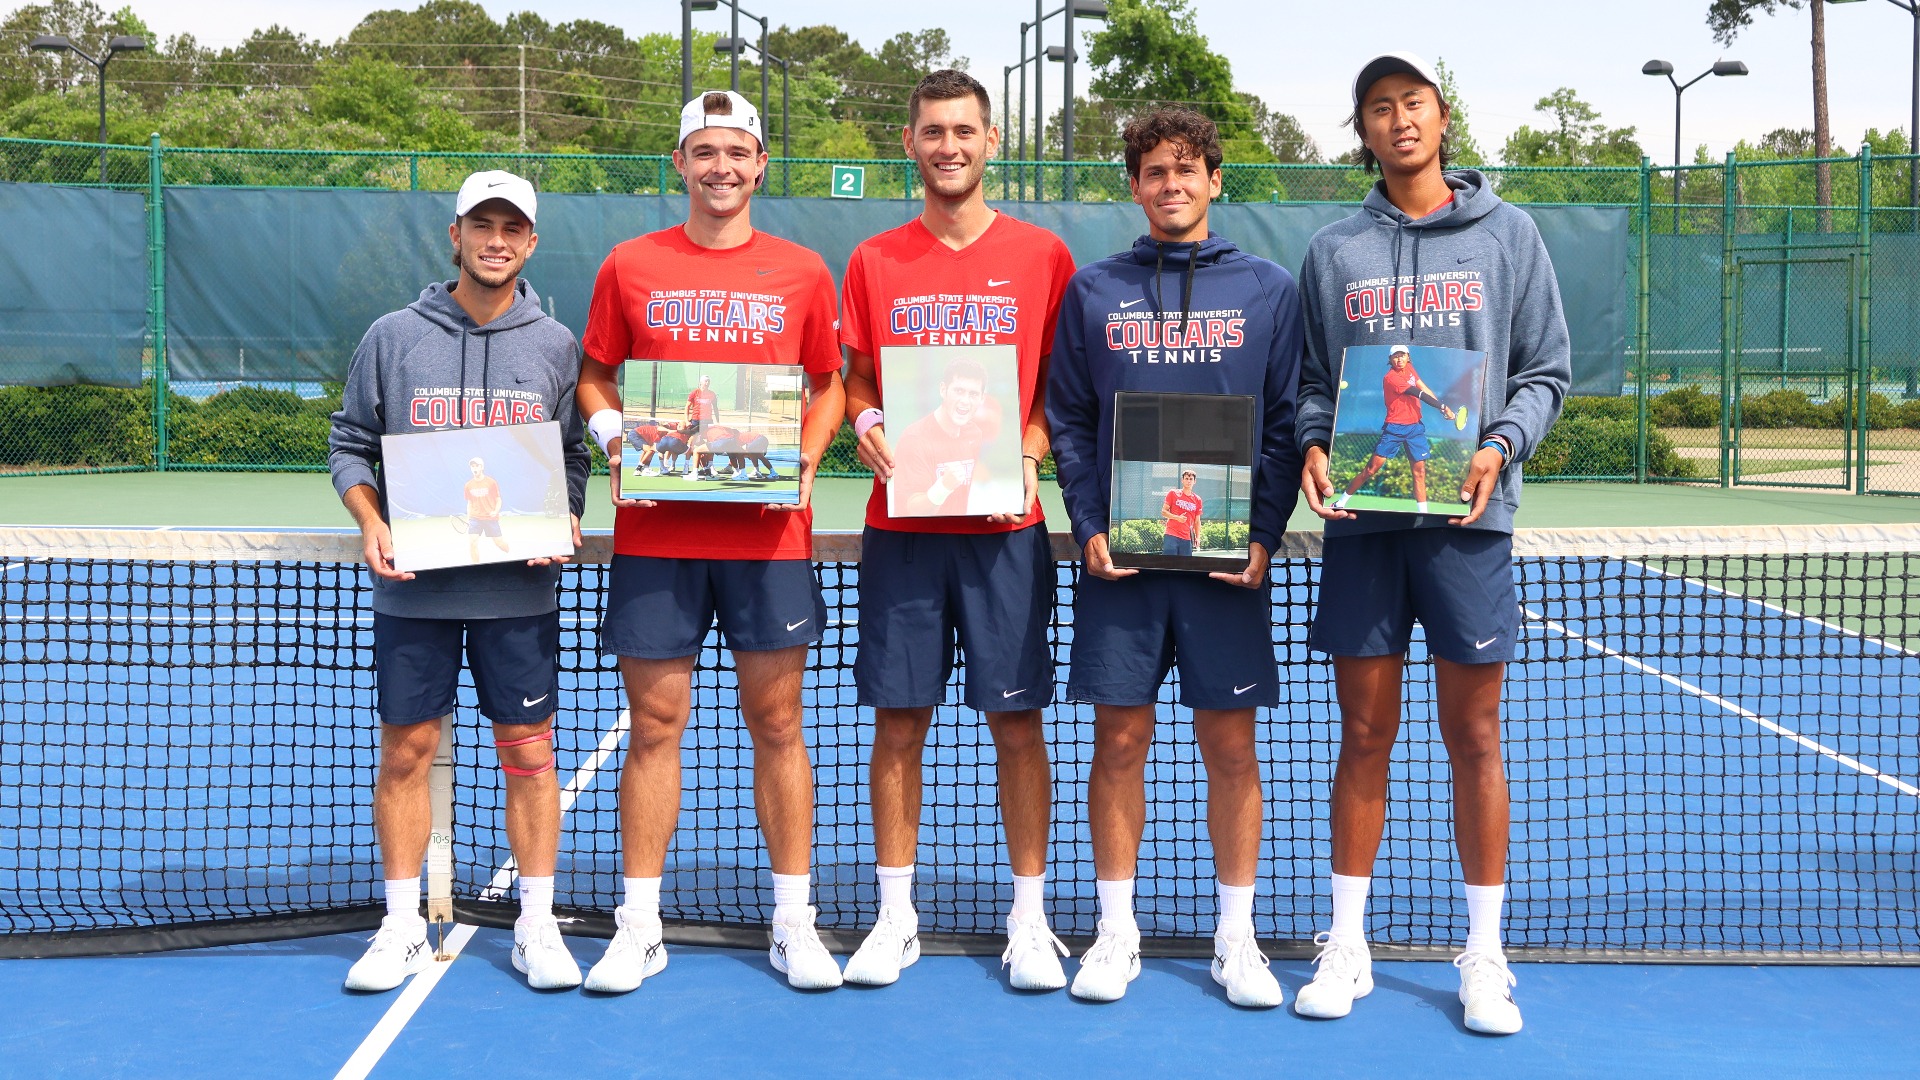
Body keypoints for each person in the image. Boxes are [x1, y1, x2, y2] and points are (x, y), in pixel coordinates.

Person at [1293, 52, 1570, 1035]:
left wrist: (1499, 446)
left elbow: (1545, 370)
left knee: (1475, 738)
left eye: (1413, 103)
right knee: (1363, 734)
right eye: (1379, 108)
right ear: (1363, 130)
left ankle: (1484, 956)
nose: (1399, 119)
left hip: (1467, 528)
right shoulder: (1333, 252)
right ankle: (1347, 943)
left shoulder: (1510, 235)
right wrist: (1314, 442)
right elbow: (1313, 383)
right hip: (1364, 530)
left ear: (1443, 118)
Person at [575, 90, 848, 993]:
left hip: (768, 537)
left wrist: (808, 457)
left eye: (737, 152)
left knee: (778, 723)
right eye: (704, 152)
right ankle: (639, 926)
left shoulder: (803, 270)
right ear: (681, 164)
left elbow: (829, 384)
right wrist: (618, 442)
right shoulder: (629, 263)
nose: (720, 167)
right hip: (658, 535)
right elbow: (594, 377)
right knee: (655, 725)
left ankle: (793, 923)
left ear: (760, 164)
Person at [1046, 107, 1302, 1007]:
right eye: (1155, 171)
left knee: (1230, 746)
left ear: (1215, 181)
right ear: (1134, 185)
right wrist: (1089, 522)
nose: (1172, 184)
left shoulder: (1268, 289)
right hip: (1122, 563)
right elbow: (1070, 419)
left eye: (1188, 169)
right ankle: (1116, 933)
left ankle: (1237, 939)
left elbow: (1284, 423)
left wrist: (1262, 533)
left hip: (1225, 566)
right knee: (1118, 740)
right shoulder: (1093, 290)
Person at [838, 68, 1077, 991]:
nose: (949, 147)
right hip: (904, 525)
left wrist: (1030, 448)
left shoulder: (1043, 255)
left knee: (1015, 722)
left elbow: (1061, 385)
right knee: (899, 721)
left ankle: (1029, 919)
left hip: (1005, 528)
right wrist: (867, 422)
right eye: (933, 131)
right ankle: (896, 916)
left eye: (964, 131)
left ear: (991, 140)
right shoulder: (874, 260)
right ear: (911, 143)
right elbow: (857, 379)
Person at [328, 169, 589, 992]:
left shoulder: (556, 345)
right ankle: (402, 924)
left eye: (512, 228)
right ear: (456, 235)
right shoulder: (392, 337)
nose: (496, 241)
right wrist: (371, 520)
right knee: (406, 751)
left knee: (530, 755)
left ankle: (537, 925)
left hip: (518, 590)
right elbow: (349, 443)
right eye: (483, 225)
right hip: (416, 590)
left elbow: (571, 454)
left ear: (531, 242)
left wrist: (564, 513)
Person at [1333, 343, 1457, 513]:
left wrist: (1442, 408)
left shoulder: (1410, 369)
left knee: (1420, 472)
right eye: (1396, 356)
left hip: (1415, 428)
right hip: (1395, 429)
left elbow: (1423, 387)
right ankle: (1340, 503)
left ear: (1408, 357)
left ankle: (1424, 514)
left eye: (1402, 355)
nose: (1399, 359)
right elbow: (1418, 393)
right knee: (1370, 470)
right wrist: (1443, 407)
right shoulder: (1391, 378)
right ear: (1390, 359)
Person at [888, 355, 995, 516]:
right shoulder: (914, 439)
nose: (965, 401)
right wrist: (943, 487)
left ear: (982, 398)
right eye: (959, 391)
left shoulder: (974, 434)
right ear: (943, 390)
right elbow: (911, 510)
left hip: (960, 529)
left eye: (973, 394)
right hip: (920, 531)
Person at [463, 456, 510, 562]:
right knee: (472, 542)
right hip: (475, 518)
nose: (474, 468)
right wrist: (469, 518)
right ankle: (476, 567)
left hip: (490, 518)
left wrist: (495, 511)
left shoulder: (491, 482)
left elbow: (498, 499)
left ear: (482, 467)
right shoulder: (468, 485)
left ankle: (511, 553)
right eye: (472, 466)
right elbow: (469, 503)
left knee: (499, 543)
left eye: (477, 466)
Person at [1160, 470, 1203, 557]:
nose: (1188, 481)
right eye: (1186, 479)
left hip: (1186, 538)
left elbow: (1197, 521)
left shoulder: (1197, 499)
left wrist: (1198, 537)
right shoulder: (1173, 493)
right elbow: (1163, 512)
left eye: (1191, 479)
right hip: (1171, 535)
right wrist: (1177, 518)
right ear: (1182, 480)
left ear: (1194, 481)